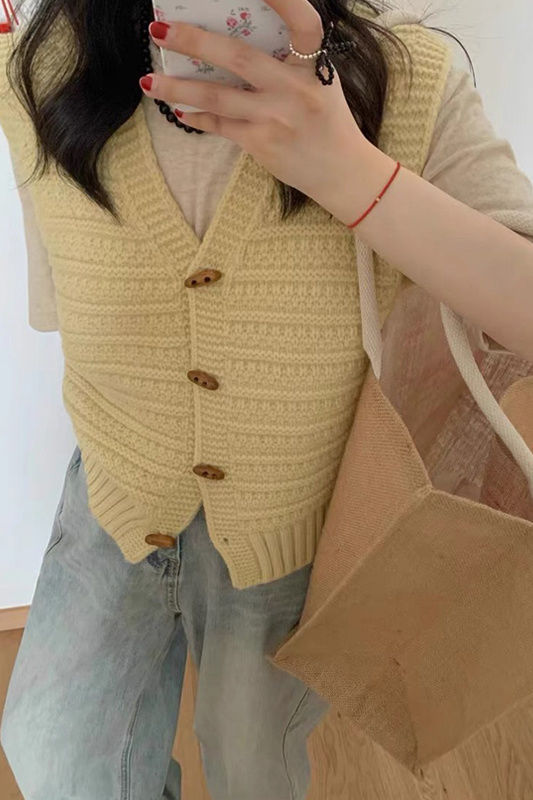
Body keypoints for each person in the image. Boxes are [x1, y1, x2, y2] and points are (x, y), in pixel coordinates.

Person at [1, 1, 533, 799]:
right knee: (54, 752)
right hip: (112, 494)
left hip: (294, 525)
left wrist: (350, 174)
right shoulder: (41, 66)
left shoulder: (405, 80)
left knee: (251, 762)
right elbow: (58, 296)